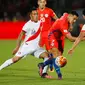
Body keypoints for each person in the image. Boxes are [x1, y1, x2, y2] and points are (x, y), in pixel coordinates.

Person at [0, 7, 52, 79]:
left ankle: (44, 74)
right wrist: (17, 47)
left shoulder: (41, 23)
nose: (36, 15)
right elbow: (21, 35)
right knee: (14, 60)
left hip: (36, 47)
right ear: (31, 15)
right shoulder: (28, 24)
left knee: (47, 56)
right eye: (34, 14)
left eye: (37, 14)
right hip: (27, 47)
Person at [38, 11, 79, 79]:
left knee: (58, 57)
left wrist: (71, 24)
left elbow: (65, 13)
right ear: (70, 16)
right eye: (74, 19)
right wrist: (81, 38)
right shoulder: (62, 23)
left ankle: (42, 65)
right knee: (55, 55)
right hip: (52, 36)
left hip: (60, 38)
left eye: (75, 20)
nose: (74, 21)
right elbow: (70, 39)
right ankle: (59, 75)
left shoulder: (66, 15)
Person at [37, 0, 58, 75]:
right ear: (38, 3)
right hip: (39, 36)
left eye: (43, 2)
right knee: (39, 52)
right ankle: (46, 65)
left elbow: (57, 20)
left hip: (47, 35)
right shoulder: (35, 12)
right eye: (40, 2)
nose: (42, 3)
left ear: (45, 3)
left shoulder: (49, 11)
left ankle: (44, 70)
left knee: (50, 53)